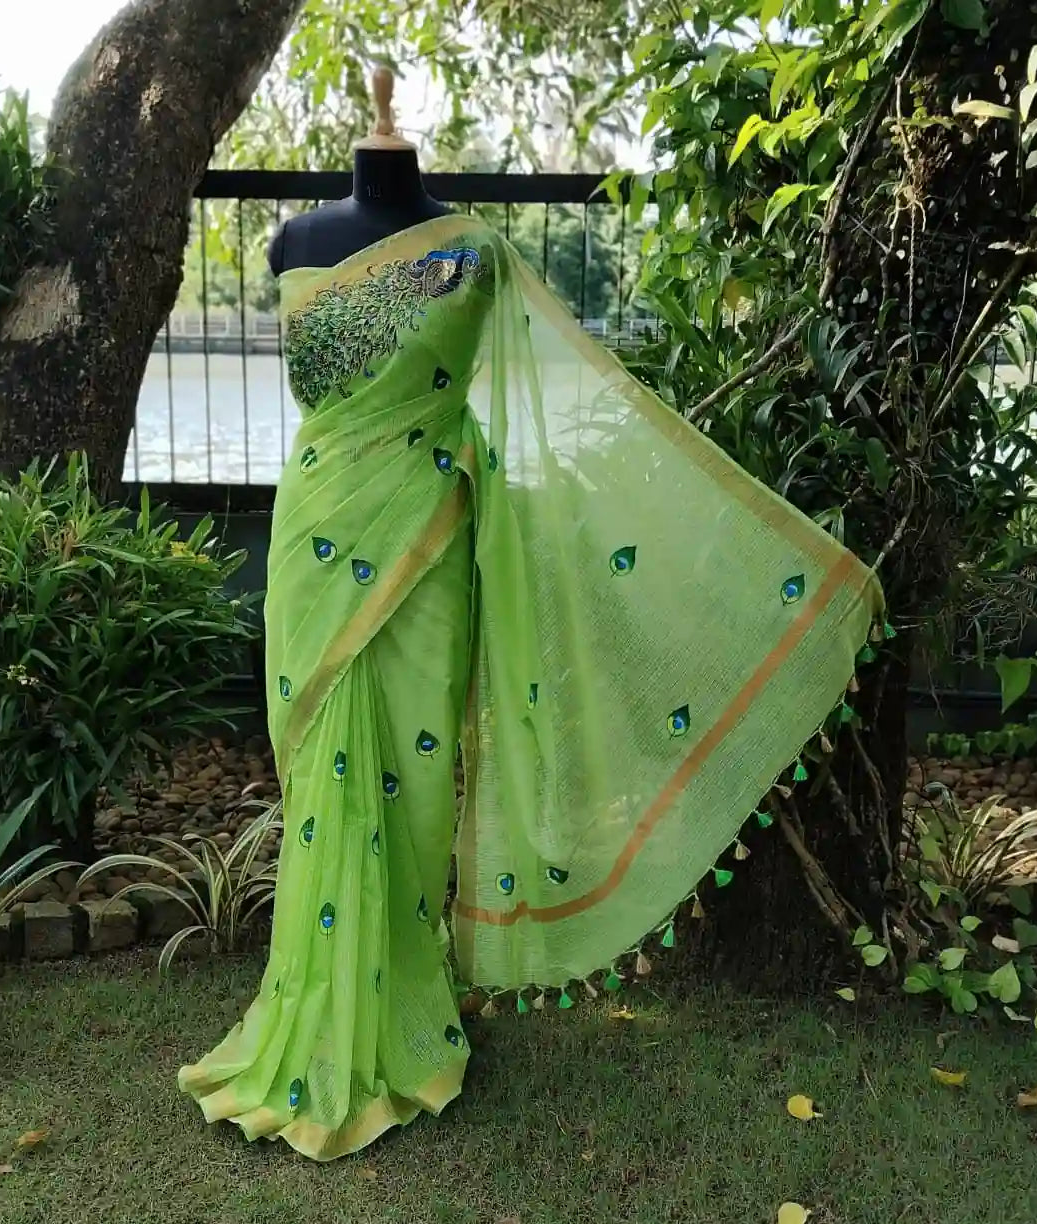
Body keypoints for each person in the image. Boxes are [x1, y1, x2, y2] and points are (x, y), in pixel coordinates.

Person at [178, 71, 883, 1162]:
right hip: (316, 537)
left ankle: (404, 1004)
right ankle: (316, 1004)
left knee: (415, 783)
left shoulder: (474, 249)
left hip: (427, 537)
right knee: (323, 772)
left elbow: (567, 391)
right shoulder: (289, 239)